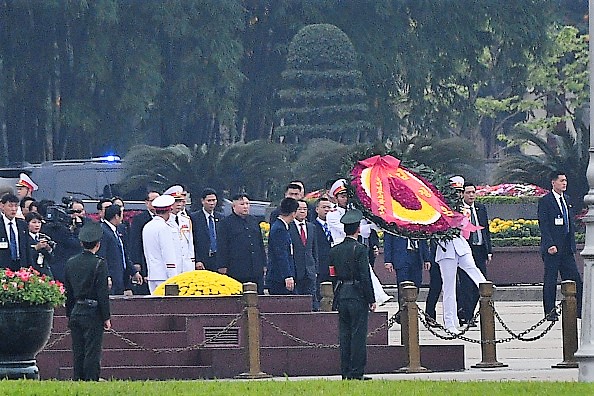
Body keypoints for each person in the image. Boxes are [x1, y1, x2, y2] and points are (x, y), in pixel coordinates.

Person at [434, 176, 487, 334]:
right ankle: (450, 322)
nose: (457, 195)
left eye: (459, 191)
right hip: (446, 248)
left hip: (461, 245)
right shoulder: (441, 206)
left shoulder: (464, 209)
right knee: (449, 288)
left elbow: (466, 233)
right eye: (455, 191)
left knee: (473, 269)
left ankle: (486, 288)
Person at [330, 209, 376, 381]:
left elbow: (332, 274)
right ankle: (357, 372)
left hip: (342, 294)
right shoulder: (360, 249)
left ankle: (346, 372)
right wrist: (371, 299)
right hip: (357, 295)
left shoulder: (335, 250)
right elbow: (365, 276)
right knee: (358, 335)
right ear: (357, 229)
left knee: (344, 335)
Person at [64, 221, 111, 381]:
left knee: (78, 349)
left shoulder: (71, 262)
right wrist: (106, 317)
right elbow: (102, 293)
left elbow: (68, 292)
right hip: (93, 312)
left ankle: (78, 377)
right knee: (92, 349)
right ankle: (91, 379)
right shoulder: (99, 263)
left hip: (76, 309)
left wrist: (69, 313)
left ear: (81, 243)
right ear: (97, 244)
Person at [538, 170, 583, 321]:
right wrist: (550, 244)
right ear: (553, 182)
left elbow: (570, 224)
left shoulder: (567, 200)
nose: (564, 183)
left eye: (565, 180)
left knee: (575, 279)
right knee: (551, 280)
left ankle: (578, 310)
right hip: (552, 249)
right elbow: (543, 225)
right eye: (561, 180)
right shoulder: (546, 201)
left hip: (566, 249)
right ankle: (550, 312)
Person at [457, 182, 492, 326]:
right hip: (466, 250)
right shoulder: (459, 210)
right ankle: (467, 315)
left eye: (473, 192)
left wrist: (489, 250)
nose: (471, 195)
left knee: (481, 283)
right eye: (468, 192)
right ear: (463, 194)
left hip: (480, 250)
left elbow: (486, 230)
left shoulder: (481, 208)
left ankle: (469, 313)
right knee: (466, 285)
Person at [216, 193, 267, 293]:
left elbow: (260, 243)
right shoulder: (226, 223)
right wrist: (222, 266)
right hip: (236, 268)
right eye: (242, 204)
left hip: (255, 267)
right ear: (234, 206)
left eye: (247, 204)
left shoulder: (253, 220)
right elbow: (222, 246)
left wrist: (264, 263)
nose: (245, 206)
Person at [383, 235, 430, 320]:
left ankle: (411, 310)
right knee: (403, 287)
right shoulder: (395, 223)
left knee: (416, 284)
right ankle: (403, 314)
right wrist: (388, 260)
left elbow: (423, 239)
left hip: (416, 257)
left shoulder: (418, 222)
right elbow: (388, 241)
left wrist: (426, 258)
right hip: (401, 258)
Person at [142, 195, 180, 293]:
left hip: (152, 275)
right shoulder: (164, 228)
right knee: (169, 307)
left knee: (154, 306)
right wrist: (174, 278)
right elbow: (168, 254)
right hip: (165, 277)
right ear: (169, 211)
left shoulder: (147, 226)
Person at [97, 205, 137, 295]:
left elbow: (123, 254)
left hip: (119, 277)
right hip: (111, 279)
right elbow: (101, 256)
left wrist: (133, 271)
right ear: (116, 216)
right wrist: (106, 276)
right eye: (121, 214)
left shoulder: (116, 230)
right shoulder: (104, 231)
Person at [288, 199, 318, 308]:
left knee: (312, 300)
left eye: (304, 209)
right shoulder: (289, 226)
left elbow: (314, 250)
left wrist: (315, 269)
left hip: (310, 270)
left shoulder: (311, 227)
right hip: (296, 270)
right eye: (299, 209)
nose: (302, 211)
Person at [128, 191, 159, 295]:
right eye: (153, 200)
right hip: (144, 259)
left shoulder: (165, 218)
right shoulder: (139, 219)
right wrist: (136, 262)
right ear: (147, 203)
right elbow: (135, 242)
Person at [266, 198, 299, 295]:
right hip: (279, 278)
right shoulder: (279, 229)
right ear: (293, 213)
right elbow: (281, 254)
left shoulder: (283, 227)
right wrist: (287, 276)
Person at [164, 185, 195, 273]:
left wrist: (191, 264)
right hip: (171, 266)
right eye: (175, 201)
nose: (179, 204)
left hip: (186, 266)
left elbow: (190, 245)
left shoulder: (186, 220)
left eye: (180, 201)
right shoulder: (163, 222)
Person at [190, 188, 220, 271]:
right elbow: (192, 241)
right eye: (209, 200)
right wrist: (197, 260)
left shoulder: (221, 217)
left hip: (218, 259)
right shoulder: (195, 218)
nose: (212, 203)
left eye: (214, 200)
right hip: (203, 259)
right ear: (202, 201)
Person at [0, 193, 32, 271]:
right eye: (10, 206)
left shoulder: (22, 224)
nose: (14, 209)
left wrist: (29, 267)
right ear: (2, 206)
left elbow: (27, 248)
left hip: (20, 265)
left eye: (16, 206)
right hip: (3, 266)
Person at [26, 211, 54, 277]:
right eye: (34, 222)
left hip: (45, 271)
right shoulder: (24, 238)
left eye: (39, 222)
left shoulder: (44, 237)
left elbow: (52, 259)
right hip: (31, 271)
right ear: (27, 224)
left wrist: (48, 249)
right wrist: (36, 248)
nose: (37, 225)